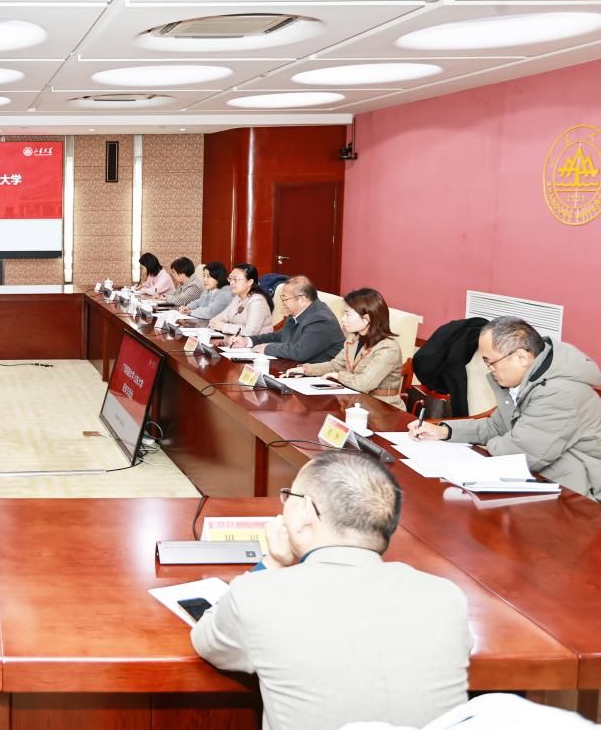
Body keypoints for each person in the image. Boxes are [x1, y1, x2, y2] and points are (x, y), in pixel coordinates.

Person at [191, 450, 472, 730]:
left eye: (289, 496)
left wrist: (272, 563)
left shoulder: (257, 596)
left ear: (305, 512)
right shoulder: (446, 598)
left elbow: (207, 639)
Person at [408, 316, 601, 501]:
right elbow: (496, 426)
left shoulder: (559, 393)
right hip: (547, 480)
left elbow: (521, 455)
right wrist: (444, 431)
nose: (489, 369)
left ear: (521, 357)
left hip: (581, 496)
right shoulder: (531, 379)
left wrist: (495, 443)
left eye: (490, 362)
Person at [286, 287, 407, 409]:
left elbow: (364, 384)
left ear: (366, 319)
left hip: (383, 408)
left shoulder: (388, 348)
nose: (343, 319)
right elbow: (335, 365)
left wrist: (339, 376)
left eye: (347, 314)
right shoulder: (353, 338)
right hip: (356, 402)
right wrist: (305, 370)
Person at [228, 275, 343, 363]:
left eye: (285, 299)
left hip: (320, 377)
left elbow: (300, 352)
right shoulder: (298, 313)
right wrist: (247, 341)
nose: (283, 303)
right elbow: (279, 336)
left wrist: (267, 348)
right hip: (296, 367)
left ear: (302, 300)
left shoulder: (321, 320)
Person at [209, 263, 273, 337]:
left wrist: (223, 326)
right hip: (237, 339)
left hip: (258, 342)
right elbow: (224, 316)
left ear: (249, 282)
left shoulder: (258, 302)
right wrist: (214, 321)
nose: (231, 283)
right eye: (230, 279)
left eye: (235, 279)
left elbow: (250, 332)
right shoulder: (238, 297)